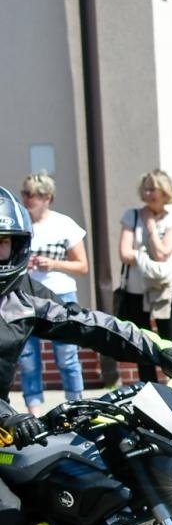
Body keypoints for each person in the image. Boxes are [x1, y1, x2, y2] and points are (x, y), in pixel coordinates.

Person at [0, 186, 172, 525]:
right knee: (7, 522)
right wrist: (7, 417)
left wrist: (167, 353)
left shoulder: (23, 296)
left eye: (3, 243)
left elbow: (91, 324)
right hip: (4, 422)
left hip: (6, 425)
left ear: (19, 245)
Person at [16, 173, 88, 416]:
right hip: (25, 295)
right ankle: (34, 411)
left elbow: (82, 266)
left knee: (67, 355)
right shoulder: (20, 223)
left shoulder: (63, 224)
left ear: (48, 197)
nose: (27, 199)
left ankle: (76, 406)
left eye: (32, 194)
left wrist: (53, 264)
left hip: (61, 295)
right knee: (27, 358)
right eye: (24, 193)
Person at [116, 169, 172, 406]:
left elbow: (161, 252)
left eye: (152, 189)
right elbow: (124, 253)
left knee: (171, 344)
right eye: (145, 188)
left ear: (164, 191)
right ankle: (152, 401)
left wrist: (149, 228)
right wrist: (147, 255)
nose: (147, 194)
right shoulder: (132, 216)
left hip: (165, 292)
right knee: (142, 345)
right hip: (136, 292)